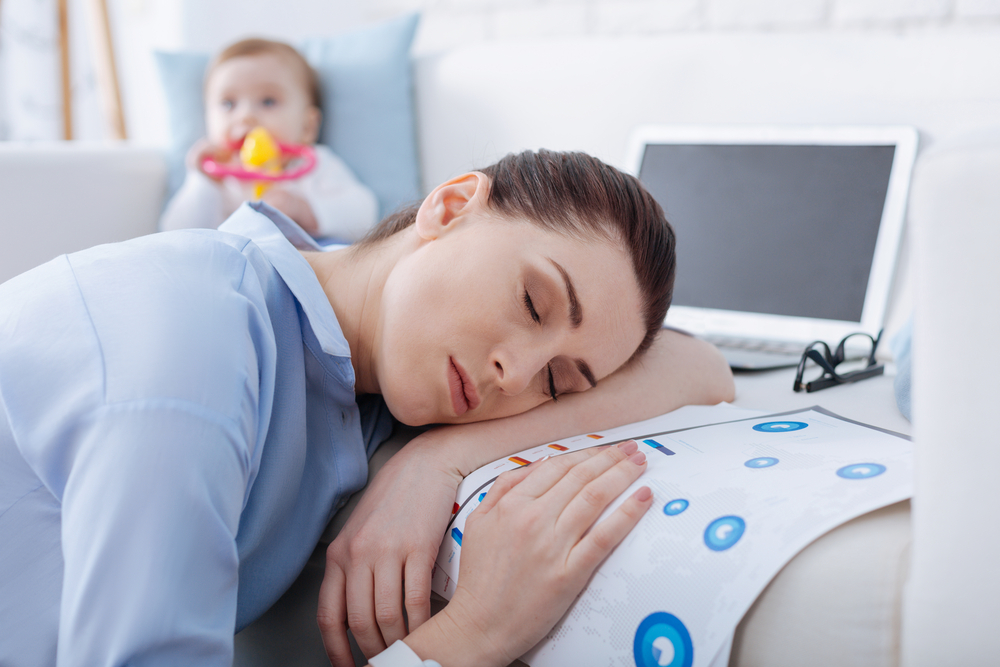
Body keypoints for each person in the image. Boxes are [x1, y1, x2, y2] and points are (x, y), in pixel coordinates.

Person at [0, 150, 733, 666]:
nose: (516, 373)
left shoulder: (341, 319)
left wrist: (436, 460)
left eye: (559, 383)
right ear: (448, 206)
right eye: (532, 299)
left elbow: (698, 364)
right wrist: (475, 633)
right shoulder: (194, 349)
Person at [159, 38, 379, 241]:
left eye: (268, 102)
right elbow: (174, 234)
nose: (245, 115)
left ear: (307, 126)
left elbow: (365, 215)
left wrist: (304, 210)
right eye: (228, 104)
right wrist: (201, 181)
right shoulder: (219, 179)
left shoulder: (316, 166)